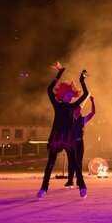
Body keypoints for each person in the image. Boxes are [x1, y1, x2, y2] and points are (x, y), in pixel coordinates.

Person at [38, 63, 89, 200]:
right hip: (57, 137)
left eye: (70, 95)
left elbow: (85, 94)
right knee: (50, 163)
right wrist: (58, 75)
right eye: (67, 94)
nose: (69, 96)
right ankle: (44, 188)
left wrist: (82, 81)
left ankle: (82, 186)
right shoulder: (57, 105)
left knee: (75, 163)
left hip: (68, 138)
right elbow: (49, 90)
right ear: (62, 95)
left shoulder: (73, 106)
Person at [64, 96, 96, 189]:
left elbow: (93, 113)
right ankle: (70, 181)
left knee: (78, 162)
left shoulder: (83, 120)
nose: (77, 111)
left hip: (79, 142)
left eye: (79, 109)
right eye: (76, 109)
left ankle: (79, 181)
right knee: (71, 162)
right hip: (70, 143)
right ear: (73, 111)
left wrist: (92, 101)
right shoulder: (69, 120)